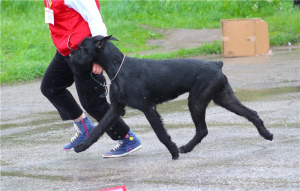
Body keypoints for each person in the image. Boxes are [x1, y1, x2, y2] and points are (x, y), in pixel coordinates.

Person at [41, 0, 142, 158]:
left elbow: (95, 19)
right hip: (66, 51)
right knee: (50, 87)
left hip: (85, 53)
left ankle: (128, 139)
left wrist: (98, 56)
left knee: (93, 104)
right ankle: (84, 128)